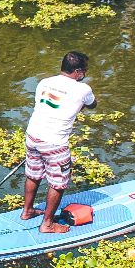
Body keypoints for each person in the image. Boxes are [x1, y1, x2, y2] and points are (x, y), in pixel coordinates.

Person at [21, 51, 97, 233]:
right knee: (58, 182)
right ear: (78, 72)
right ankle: (47, 224)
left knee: (33, 174)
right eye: (84, 70)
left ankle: (28, 211)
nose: (85, 74)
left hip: (32, 136)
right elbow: (93, 104)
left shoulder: (44, 82)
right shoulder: (83, 89)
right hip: (54, 142)